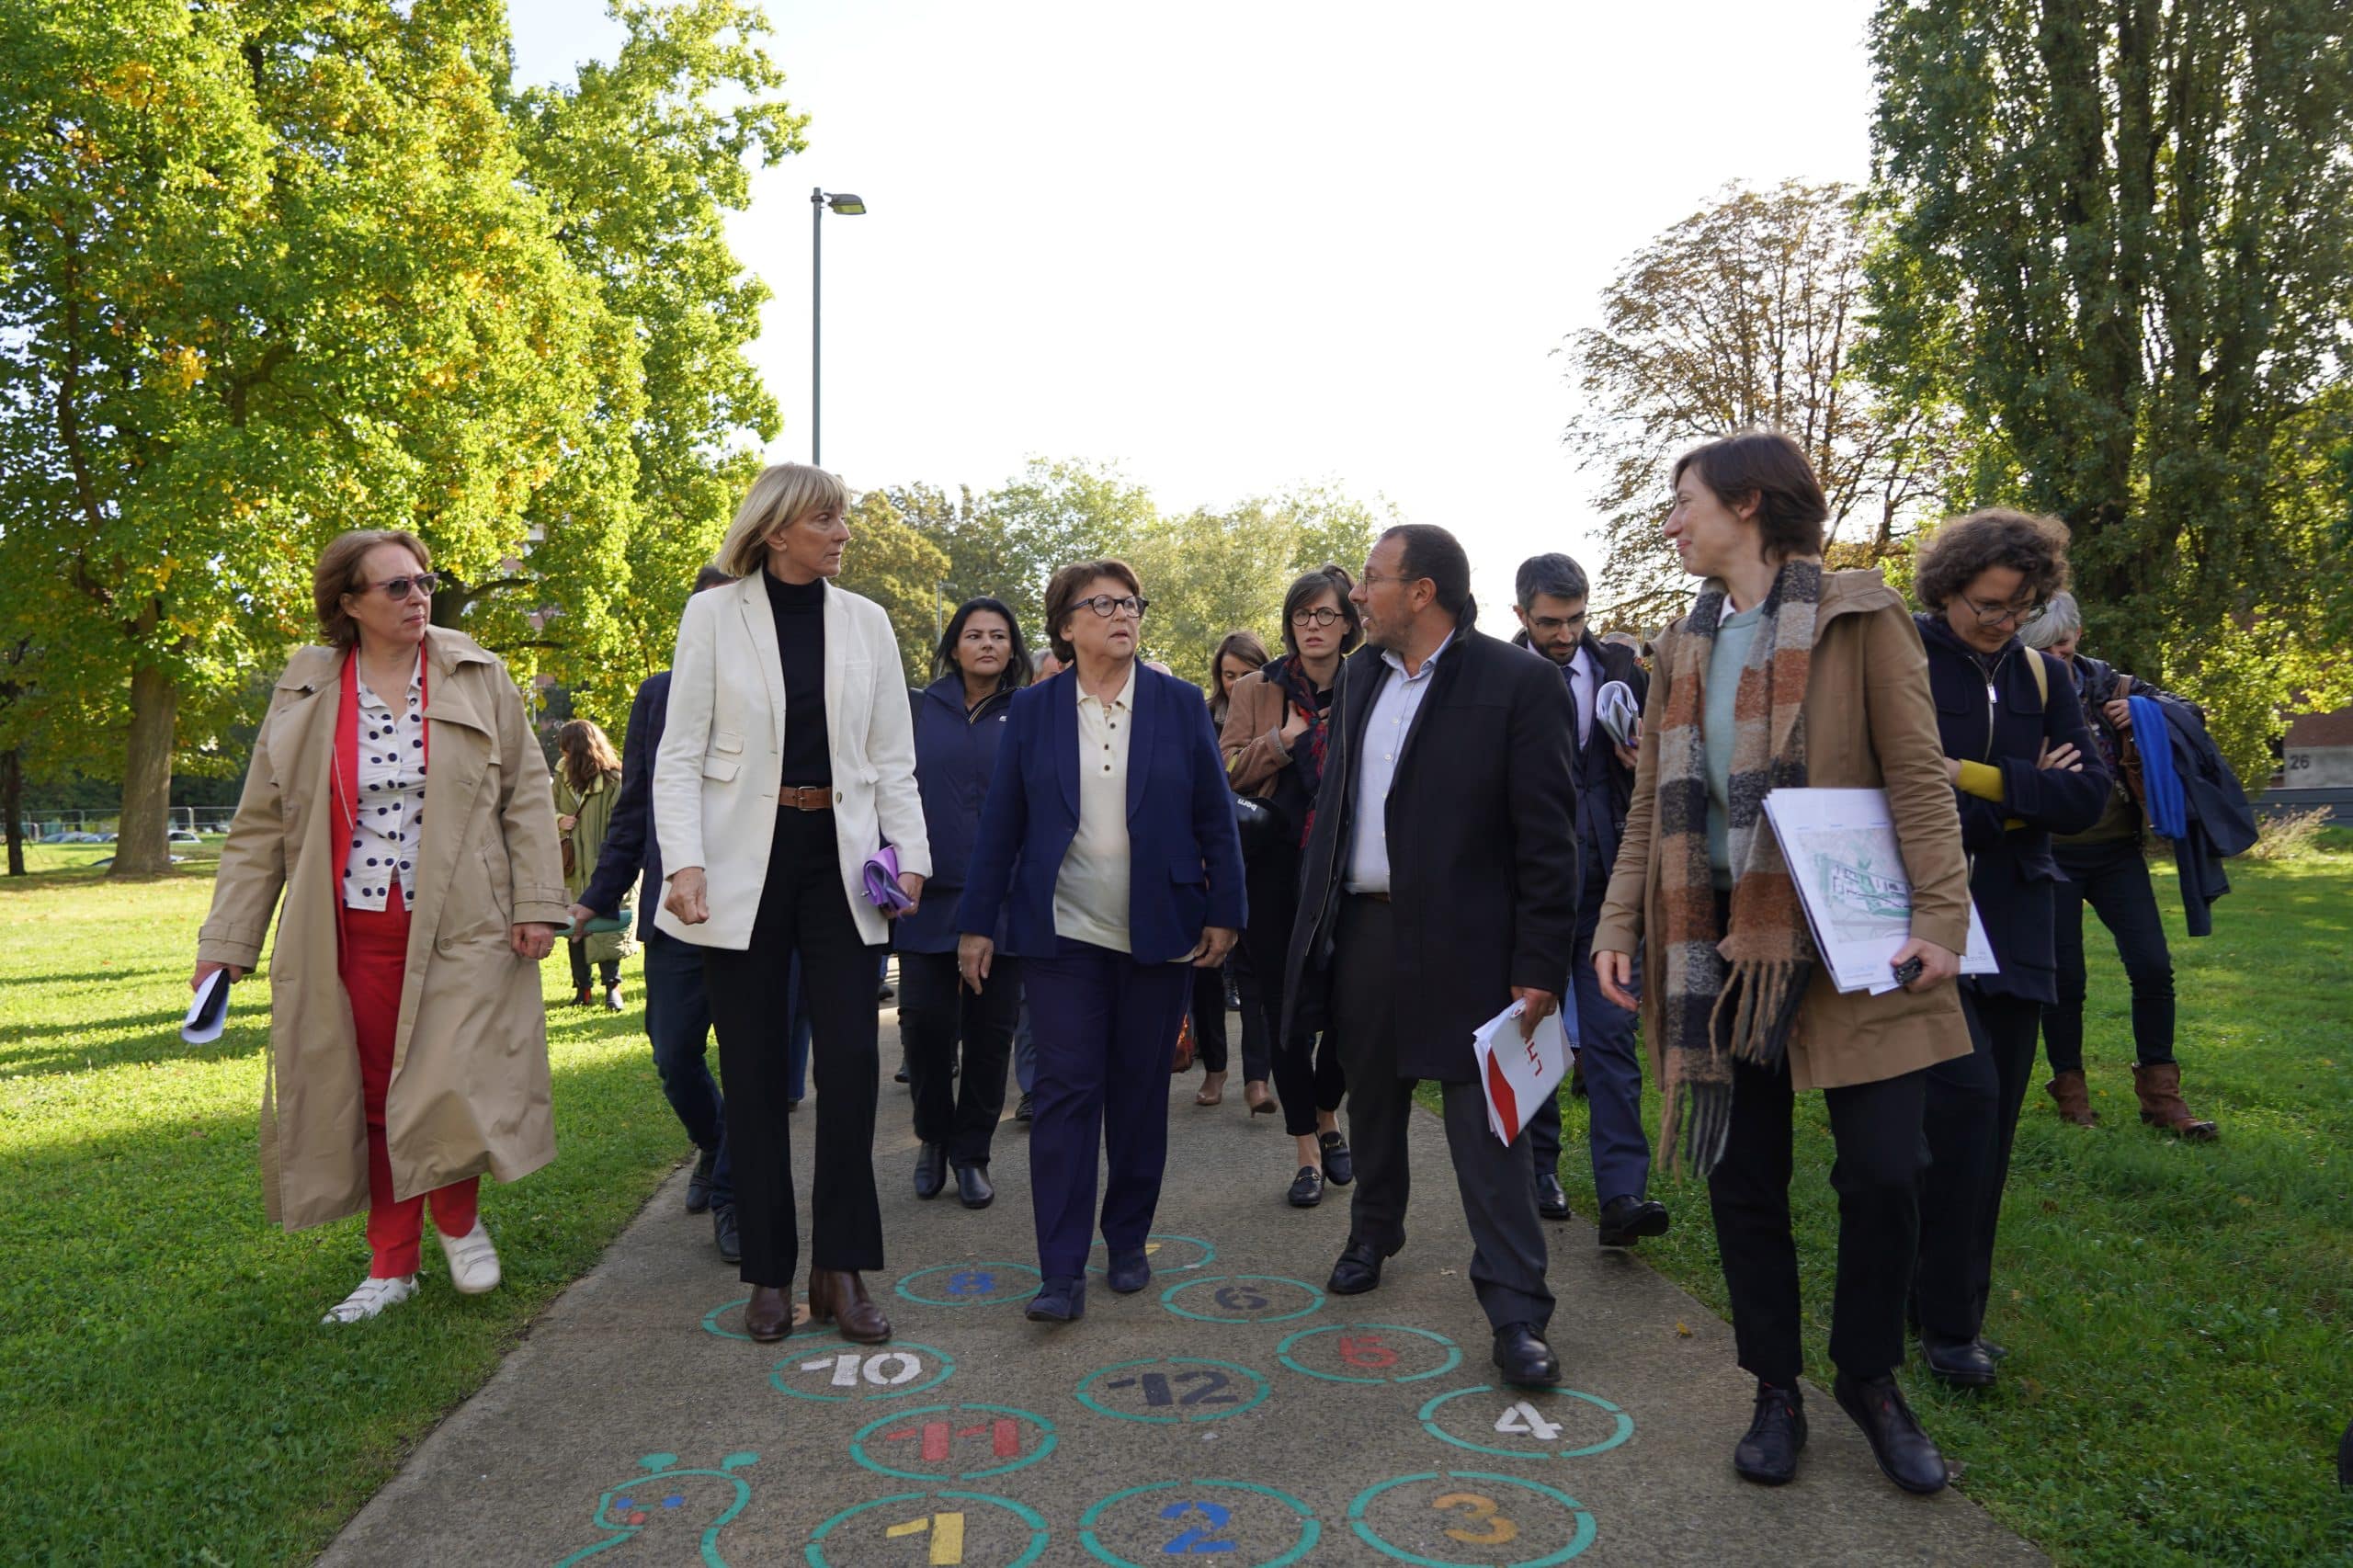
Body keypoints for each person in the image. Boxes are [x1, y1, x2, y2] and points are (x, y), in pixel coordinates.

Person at [1593, 431, 1974, 1494]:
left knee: (1887, 1172)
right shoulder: (1680, 644)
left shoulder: (1859, 613)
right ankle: (1774, 1385)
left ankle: (1869, 1377)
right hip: (1717, 941)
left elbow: (1918, 776)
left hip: (1850, 938)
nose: (1670, 521)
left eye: (1683, 501)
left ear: (1749, 504)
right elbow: (1646, 811)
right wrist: (1618, 922)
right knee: (1744, 1176)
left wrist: (1941, 917)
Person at [194, 528, 565, 1324]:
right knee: (370, 1096)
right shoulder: (306, 687)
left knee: (449, 1082)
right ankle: (390, 1265)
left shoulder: (477, 671)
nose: (417, 597)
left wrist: (539, 903)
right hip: (351, 928)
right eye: (395, 587)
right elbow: (261, 826)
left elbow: (528, 796)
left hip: (467, 921)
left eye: (423, 582)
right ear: (349, 603)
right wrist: (226, 946)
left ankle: (458, 1220)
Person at [1281, 524, 1580, 1390]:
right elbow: (1339, 808)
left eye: (1371, 581)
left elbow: (1550, 842)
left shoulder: (1516, 682)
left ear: (1421, 593)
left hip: (1473, 946)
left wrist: (1539, 964)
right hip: (1368, 933)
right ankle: (1374, 1233)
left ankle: (1519, 1308)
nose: (1355, 597)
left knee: (1489, 1130)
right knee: (1370, 1096)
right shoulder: (1365, 675)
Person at [651, 462, 931, 1346]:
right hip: (742, 863)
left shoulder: (868, 622)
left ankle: (839, 1271)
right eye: (825, 519)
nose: (843, 531)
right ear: (775, 531)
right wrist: (684, 864)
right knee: (758, 1069)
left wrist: (912, 856)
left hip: (842, 865)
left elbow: (893, 758)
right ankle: (769, 1271)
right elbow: (679, 754)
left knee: (850, 1065)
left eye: (841, 517)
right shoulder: (713, 614)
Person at [957, 560, 1245, 1325]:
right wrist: (978, 924)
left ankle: (1126, 1239)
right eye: (1103, 604)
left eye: (1130, 603)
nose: (1123, 615)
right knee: (1066, 1094)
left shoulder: (1181, 704)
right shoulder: (1037, 709)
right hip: (1063, 933)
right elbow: (1003, 826)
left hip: (1159, 930)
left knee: (1141, 1093)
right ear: (1066, 626)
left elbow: (1216, 815)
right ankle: (1059, 1272)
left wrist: (1226, 909)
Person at [1910, 515, 2110, 1390]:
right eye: (1989, 606)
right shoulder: (1904, 657)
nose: (2003, 622)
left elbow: (2087, 797)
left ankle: (1954, 1319)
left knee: (1987, 1134)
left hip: (2021, 924)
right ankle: (1922, 1308)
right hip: (1921, 919)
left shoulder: (2038, 670)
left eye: (2019, 606)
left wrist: (1973, 778)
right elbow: (1904, 789)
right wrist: (2026, 793)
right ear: (1947, 588)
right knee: (1944, 1120)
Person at [569, 566, 742, 1263]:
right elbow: (635, 804)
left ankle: (733, 1196)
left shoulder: (776, 689)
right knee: (673, 1055)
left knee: (753, 1064)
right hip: (677, 912)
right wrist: (597, 895)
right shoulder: (659, 695)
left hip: (759, 910)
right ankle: (714, 1143)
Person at [2021, 595, 2219, 1138]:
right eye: (2043, 649)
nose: (2057, 658)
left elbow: (2192, 711)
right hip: (2049, 855)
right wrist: (2028, 770)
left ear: (2078, 635)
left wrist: (2146, 712)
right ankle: (2071, 1094)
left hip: (2116, 854)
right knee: (2065, 979)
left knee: (2153, 966)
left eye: (2063, 645)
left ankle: (2163, 1100)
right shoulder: (2013, 689)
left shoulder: (2111, 684)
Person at [1510, 551, 1664, 1245]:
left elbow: (1660, 761)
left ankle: (1623, 1195)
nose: (1565, 633)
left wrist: (1644, 761)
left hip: (1609, 888)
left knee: (1610, 1042)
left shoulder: (1625, 672)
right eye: (1549, 622)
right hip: (1529, 891)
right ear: (1522, 615)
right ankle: (1539, 1173)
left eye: (1575, 619)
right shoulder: (1496, 677)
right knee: (1535, 1034)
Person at [1222, 565, 1359, 1205]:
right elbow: (1224, 769)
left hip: (1348, 865)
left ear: (1348, 623)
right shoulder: (1258, 687)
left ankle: (1330, 1109)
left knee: (1352, 1010)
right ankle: (1307, 1146)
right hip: (1275, 867)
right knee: (1284, 1013)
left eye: (1326, 614)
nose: (1313, 626)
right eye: (1303, 615)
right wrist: (1280, 741)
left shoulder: (1372, 683)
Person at [899, 597, 1034, 1210]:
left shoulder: (1031, 712)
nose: (986, 644)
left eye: (998, 636)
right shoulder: (917, 709)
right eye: (973, 635)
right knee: (925, 1028)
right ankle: (932, 1136)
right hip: (928, 898)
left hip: (1006, 900)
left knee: (990, 1035)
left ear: (1013, 649)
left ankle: (972, 1153)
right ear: (954, 646)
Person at [1191, 631, 1272, 1108]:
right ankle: (1216, 1070)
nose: (1237, 682)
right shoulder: (1201, 715)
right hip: (1209, 857)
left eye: (1246, 673)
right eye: (1228, 674)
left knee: (1254, 969)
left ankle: (1255, 1077)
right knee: (1207, 967)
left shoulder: (1276, 708)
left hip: (1261, 853)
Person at [551, 719, 631, 1010]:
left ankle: (613, 986)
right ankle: (582, 989)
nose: (564, 756)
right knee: (575, 929)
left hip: (604, 865)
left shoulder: (613, 780)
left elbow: (622, 824)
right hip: (571, 867)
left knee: (606, 926)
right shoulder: (562, 775)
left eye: (567, 750)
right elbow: (547, 807)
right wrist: (560, 820)